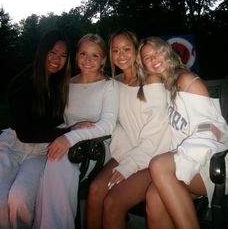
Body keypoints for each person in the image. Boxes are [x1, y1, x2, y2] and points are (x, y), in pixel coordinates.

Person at [138, 36, 228, 229]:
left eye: (157, 52)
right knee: (153, 197)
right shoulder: (166, 87)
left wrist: (180, 159)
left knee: (159, 166)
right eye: (147, 58)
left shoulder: (186, 80)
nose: (153, 59)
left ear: (167, 51)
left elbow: (213, 129)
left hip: (210, 163)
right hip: (188, 164)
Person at [33, 33, 119, 229]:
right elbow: (61, 121)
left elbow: (107, 125)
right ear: (77, 56)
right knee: (38, 169)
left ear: (103, 59)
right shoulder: (67, 83)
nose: (88, 60)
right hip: (67, 140)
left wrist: (70, 138)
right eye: (83, 54)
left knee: (57, 162)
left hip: (97, 145)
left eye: (95, 55)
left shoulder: (109, 85)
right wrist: (64, 135)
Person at [87, 29, 171, 229]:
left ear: (137, 51)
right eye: (115, 50)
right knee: (96, 190)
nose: (121, 55)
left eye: (126, 49)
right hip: (128, 152)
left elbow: (158, 133)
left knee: (112, 203)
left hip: (155, 157)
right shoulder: (114, 84)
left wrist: (130, 164)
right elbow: (113, 123)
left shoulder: (151, 80)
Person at [0, 29, 72, 229]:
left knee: (20, 199)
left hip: (41, 150)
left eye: (63, 55)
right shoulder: (22, 83)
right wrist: (69, 131)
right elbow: (26, 133)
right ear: (42, 51)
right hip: (14, 144)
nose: (57, 59)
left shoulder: (62, 84)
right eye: (53, 52)